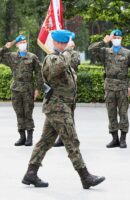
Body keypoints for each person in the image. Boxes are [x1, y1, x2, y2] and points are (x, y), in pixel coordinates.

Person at [22, 30, 105, 189]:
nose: (70, 45)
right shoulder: (51, 59)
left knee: (45, 141)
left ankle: (30, 173)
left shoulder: (63, 57)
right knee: (71, 140)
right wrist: (67, 50)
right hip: (57, 106)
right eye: (68, 42)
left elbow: (72, 66)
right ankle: (85, 176)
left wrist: (70, 51)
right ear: (60, 43)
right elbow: (59, 67)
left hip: (61, 106)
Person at [88, 29, 130, 148]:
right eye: (114, 38)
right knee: (111, 113)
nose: (116, 39)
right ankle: (114, 138)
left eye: (118, 38)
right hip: (109, 87)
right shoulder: (105, 52)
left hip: (122, 87)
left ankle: (123, 139)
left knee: (123, 113)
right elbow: (91, 49)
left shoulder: (128, 53)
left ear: (121, 39)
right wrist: (104, 42)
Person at [0, 35, 42, 146]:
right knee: (19, 112)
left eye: (24, 42)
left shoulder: (32, 57)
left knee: (28, 112)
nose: (23, 43)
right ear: (17, 45)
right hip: (16, 89)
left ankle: (29, 137)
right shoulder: (12, 56)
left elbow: (39, 73)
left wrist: (38, 88)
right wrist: (6, 46)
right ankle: (22, 137)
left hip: (28, 89)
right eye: (21, 42)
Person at [54, 32, 81, 147]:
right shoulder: (56, 54)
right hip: (58, 89)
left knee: (69, 115)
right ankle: (61, 138)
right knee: (59, 115)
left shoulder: (74, 53)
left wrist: (68, 51)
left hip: (69, 90)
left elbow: (72, 64)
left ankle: (71, 139)